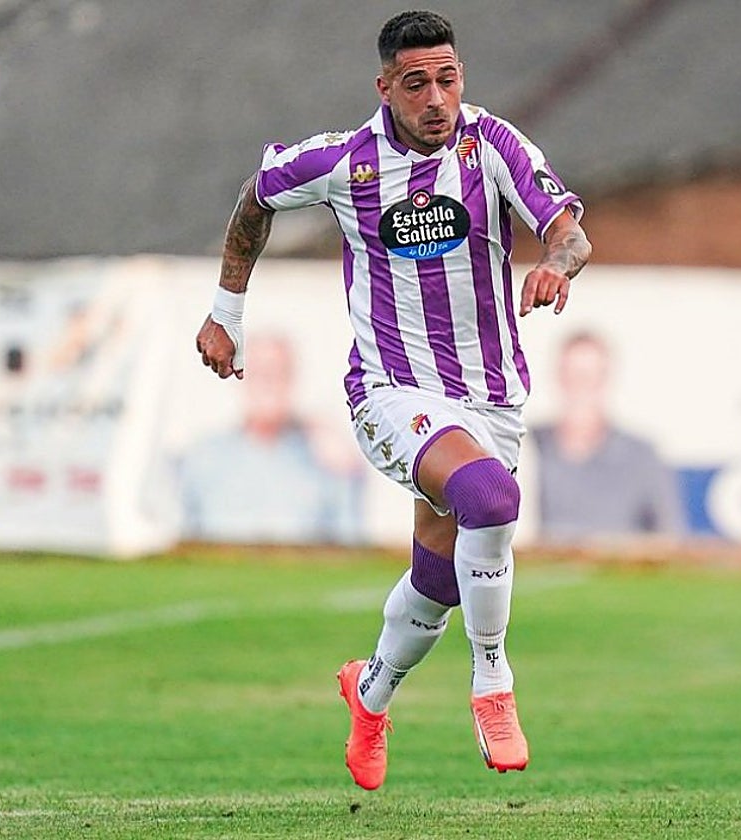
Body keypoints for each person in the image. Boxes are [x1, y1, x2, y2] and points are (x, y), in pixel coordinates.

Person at [194, 10, 591, 790]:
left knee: (440, 579)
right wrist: (225, 313)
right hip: (391, 390)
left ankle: (369, 694)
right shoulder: (344, 162)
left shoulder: (494, 145)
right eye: (417, 84)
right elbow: (255, 199)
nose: (436, 98)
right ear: (386, 88)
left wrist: (557, 263)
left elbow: (570, 232)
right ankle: (493, 683)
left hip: (493, 398)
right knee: (491, 497)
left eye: (448, 79)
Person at [176, 334, 362, 544]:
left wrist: (349, 474)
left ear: (292, 379)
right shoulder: (203, 457)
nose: (267, 383)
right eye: (258, 372)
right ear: (240, 378)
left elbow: (350, 545)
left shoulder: (326, 456)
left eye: (277, 372)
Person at [531, 332, 685, 542]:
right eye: (571, 377)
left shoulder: (642, 457)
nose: (580, 389)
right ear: (558, 378)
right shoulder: (526, 450)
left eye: (589, 378)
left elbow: (671, 539)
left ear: (606, 380)